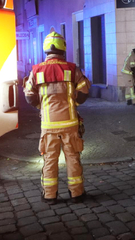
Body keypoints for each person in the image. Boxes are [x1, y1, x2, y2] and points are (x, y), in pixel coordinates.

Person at [24, 32, 91, 205]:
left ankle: (50, 196)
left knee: (50, 159)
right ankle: (76, 194)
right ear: (63, 48)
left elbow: (29, 96)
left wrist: (42, 107)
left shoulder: (36, 70)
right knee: (73, 157)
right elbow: (84, 91)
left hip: (48, 124)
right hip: (70, 123)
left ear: (45, 49)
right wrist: (72, 103)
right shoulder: (71, 68)